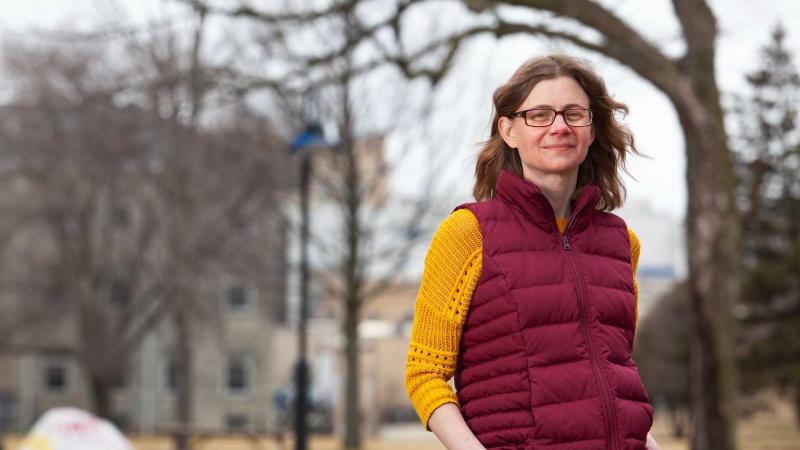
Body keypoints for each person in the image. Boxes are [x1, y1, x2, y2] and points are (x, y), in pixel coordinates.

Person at [404, 54, 661, 450]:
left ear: (592, 130)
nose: (559, 127)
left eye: (574, 113)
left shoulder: (622, 243)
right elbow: (425, 374)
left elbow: (612, 369)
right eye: (539, 115)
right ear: (508, 130)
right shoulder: (467, 235)